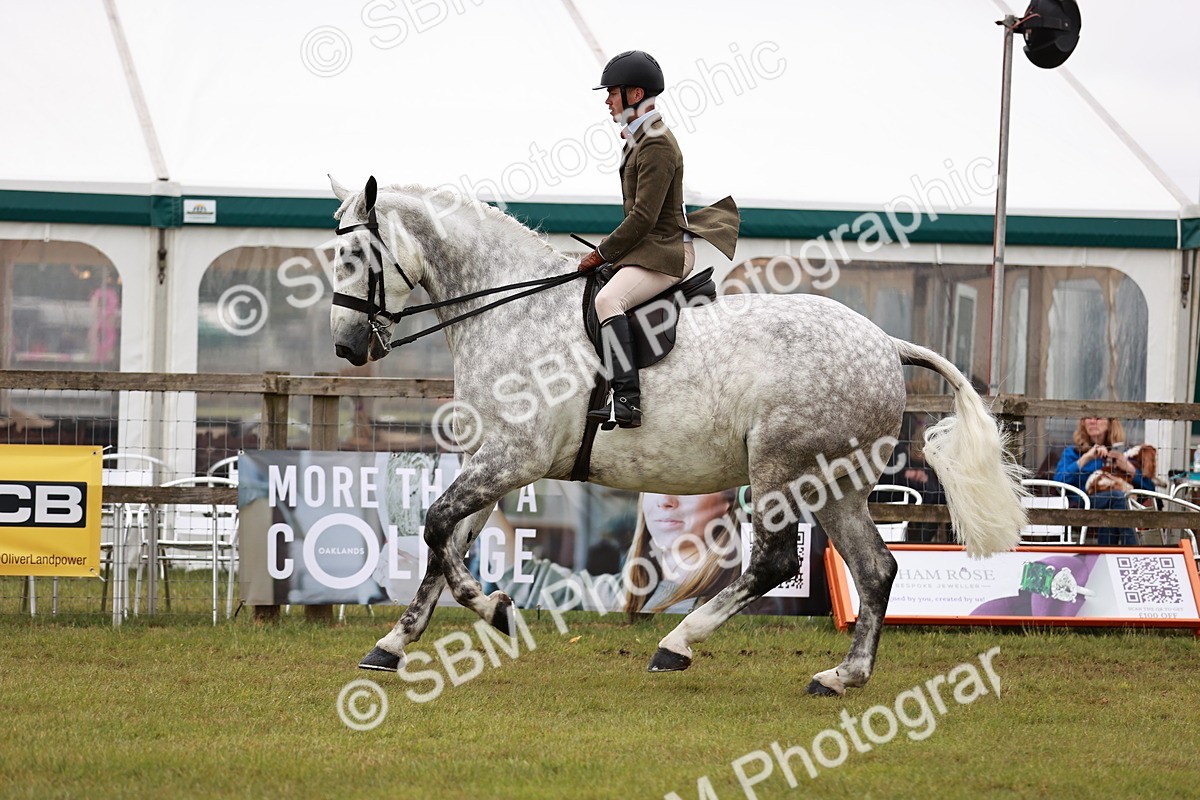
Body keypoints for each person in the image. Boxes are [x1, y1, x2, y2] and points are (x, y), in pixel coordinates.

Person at [577, 50, 739, 429]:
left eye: (612, 92)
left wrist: (602, 253)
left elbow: (644, 217)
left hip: (666, 253)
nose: (606, 100)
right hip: (648, 250)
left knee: (608, 299)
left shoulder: (657, 144)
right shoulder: (641, 139)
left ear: (635, 95)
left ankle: (627, 401)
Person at [488, 490, 742, 615]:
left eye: (688, 484)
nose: (666, 498)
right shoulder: (630, 592)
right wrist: (476, 500)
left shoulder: (744, 604)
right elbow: (525, 582)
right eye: (653, 481)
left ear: (728, 499)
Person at [1054, 416, 1155, 546]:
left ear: (1110, 423)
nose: (1092, 421)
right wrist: (1086, 458)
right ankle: (1133, 551)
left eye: (1098, 418)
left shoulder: (1121, 453)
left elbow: (1150, 490)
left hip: (1115, 504)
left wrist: (1128, 468)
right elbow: (1058, 482)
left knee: (1115, 503)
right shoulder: (1073, 453)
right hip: (1083, 503)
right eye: (1088, 418)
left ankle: (1105, 553)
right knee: (1118, 497)